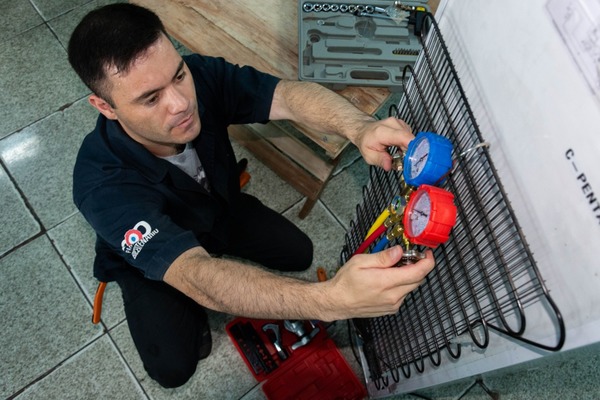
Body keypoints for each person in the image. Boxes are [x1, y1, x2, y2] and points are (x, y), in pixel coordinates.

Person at [68, 3, 435, 388]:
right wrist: (329, 301)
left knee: (299, 253)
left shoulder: (200, 76)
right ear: (105, 107)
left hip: (220, 208)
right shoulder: (100, 183)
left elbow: (288, 96)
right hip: (159, 249)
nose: (180, 103)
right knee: (173, 368)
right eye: (150, 98)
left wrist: (359, 128)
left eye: (178, 75)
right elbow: (196, 273)